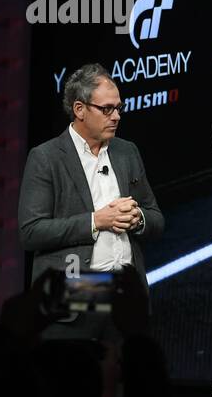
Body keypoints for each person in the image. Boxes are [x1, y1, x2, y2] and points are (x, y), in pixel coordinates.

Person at [17, 62, 164, 339]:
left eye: (119, 108)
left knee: (124, 378)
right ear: (79, 110)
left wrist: (138, 219)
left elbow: (156, 218)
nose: (116, 116)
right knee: (79, 378)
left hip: (125, 293)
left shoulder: (127, 152)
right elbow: (31, 232)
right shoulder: (46, 158)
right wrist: (96, 221)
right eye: (106, 109)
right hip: (77, 289)